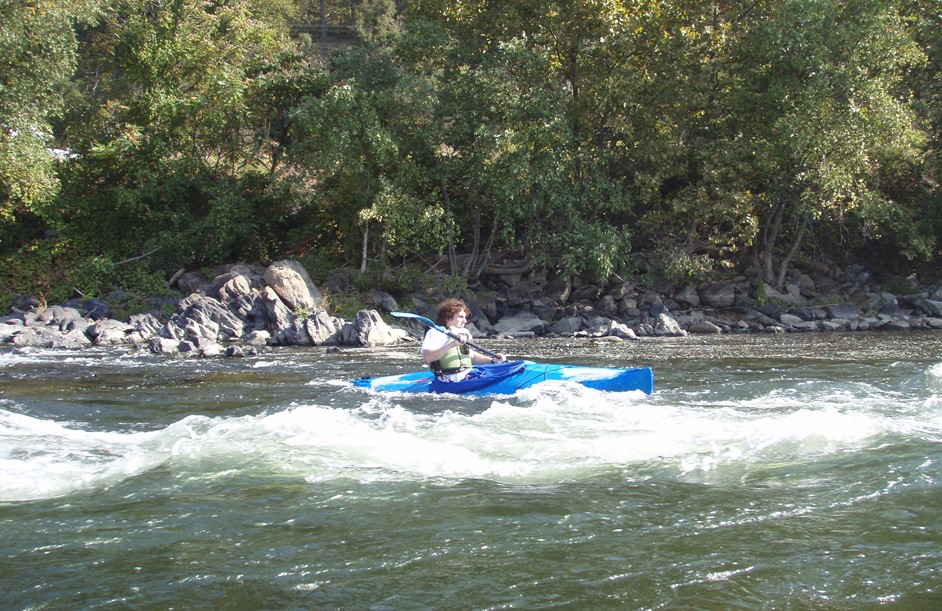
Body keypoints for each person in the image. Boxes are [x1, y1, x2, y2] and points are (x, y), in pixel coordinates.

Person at [421, 298, 506, 382]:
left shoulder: (464, 333)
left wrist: (493, 361)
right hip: (448, 379)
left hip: (467, 374)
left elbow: (471, 355)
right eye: (461, 317)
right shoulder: (435, 333)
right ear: (449, 317)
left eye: (465, 317)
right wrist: (453, 344)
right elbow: (428, 358)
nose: (465, 321)